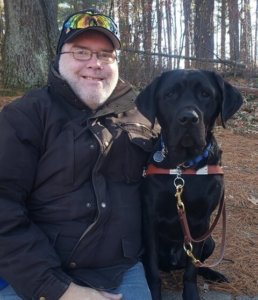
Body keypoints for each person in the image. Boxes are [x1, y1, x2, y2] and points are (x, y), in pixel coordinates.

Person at [0, 8, 158, 300]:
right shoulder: (25, 116)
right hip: (34, 275)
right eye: (81, 52)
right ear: (59, 57)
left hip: (119, 271)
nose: (95, 63)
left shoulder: (143, 117)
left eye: (106, 54)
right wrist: (59, 291)